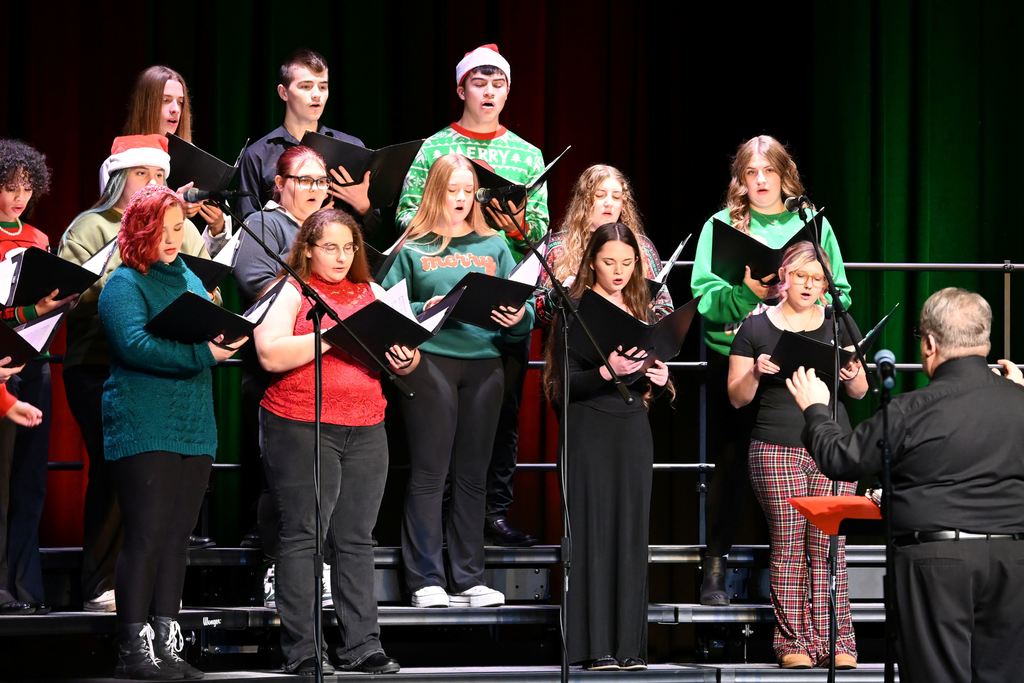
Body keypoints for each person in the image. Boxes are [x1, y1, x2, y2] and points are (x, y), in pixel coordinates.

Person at [787, 287, 1024, 683]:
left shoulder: (911, 410)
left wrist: (815, 410)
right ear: (985, 339)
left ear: (929, 344)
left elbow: (841, 458)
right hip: (1014, 560)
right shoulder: (1019, 403)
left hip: (935, 563)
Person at [396, 43, 549, 548]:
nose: (488, 92)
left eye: (497, 84)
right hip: (443, 291)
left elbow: (540, 229)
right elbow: (406, 216)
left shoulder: (527, 154)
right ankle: (436, 526)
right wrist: (453, 230)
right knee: (436, 430)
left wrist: (513, 224)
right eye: (479, 83)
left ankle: (492, 514)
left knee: (501, 414)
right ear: (461, 88)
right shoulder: (434, 147)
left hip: (499, 290)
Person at [690, 134, 852, 605]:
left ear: (785, 175)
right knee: (732, 461)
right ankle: (715, 565)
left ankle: (788, 574)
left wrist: (801, 296)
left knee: (802, 459)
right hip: (741, 354)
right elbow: (704, 297)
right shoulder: (721, 224)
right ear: (739, 180)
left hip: (804, 355)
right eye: (751, 173)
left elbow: (840, 288)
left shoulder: (810, 221)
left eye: (769, 172)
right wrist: (748, 294)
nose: (760, 181)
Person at [58, 134, 215, 613]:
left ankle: (152, 597)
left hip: (170, 368)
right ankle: (101, 580)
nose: (152, 181)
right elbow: (73, 291)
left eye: (160, 174)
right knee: (118, 471)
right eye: (141, 173)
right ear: (117, 178)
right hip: (98, 361)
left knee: (161, 491)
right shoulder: (92, 226)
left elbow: (204, 282)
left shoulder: (180, 226)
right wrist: (133, 258)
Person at [254, 208, 411, 676]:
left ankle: (362, 645)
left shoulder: (372, 293)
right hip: (301, 423)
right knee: (304, 534)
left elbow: (405, 357)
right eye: (330, 248)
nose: (341, 257)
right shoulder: (290, 290)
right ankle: (304, 649)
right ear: (307, 250)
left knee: (356, 538)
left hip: (366, 425)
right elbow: (269, 353)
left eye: (349, 248)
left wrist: (406, 358)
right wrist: (332, 337)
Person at [99, 184, 243, 679]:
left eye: (179, 228)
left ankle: (166, 640)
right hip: (144, 420)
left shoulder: (189, 278)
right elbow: (133, 345)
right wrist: (204, 353)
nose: (171, 239)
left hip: (193, 422)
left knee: (178, 538)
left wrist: (226, 334)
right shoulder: (124, 284)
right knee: (146, 534)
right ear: (139, 230)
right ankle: (133, 648)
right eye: (161, 230)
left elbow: (206, 327)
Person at [382, 153, 533, 608]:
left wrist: (518, 318)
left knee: (472, 474)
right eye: (453, 191)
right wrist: (421, 313)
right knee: (430, 472)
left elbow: (520, 313)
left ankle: (468, 577)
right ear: (436, 192)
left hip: (485, 364)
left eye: (469, 191)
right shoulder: (413, 246)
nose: (462, 199)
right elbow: (387, 305)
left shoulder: (494, 245)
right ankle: (425, 578)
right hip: (432, 362)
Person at [727, 242, 866, 669]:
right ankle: (794, 643)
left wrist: (852, 374)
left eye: (817, 279)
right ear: (785, 276)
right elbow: (736, 397)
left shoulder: (840, 323)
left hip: (833, 446)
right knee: (789, 544)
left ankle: (837, 641)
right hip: (776, 446)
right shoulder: (756, 327)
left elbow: (860, 391)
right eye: (801, 276)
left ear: (826, 285)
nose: (808, 285)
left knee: (829, 545)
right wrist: (755, 371)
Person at [542, 223, 671, 671]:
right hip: (588, 427)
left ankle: (629, 646)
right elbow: (560, 387)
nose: (619, 271)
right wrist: (605, 371)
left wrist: (660, 378)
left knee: (631, 534)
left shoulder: (642, 310)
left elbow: (651, 374)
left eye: (628, 262)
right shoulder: (574, 309)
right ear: (592, 262)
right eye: (609, 261)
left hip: (631, 427)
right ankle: (593, 646)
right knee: (592, 534)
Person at [0, 139, 74, 616]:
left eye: (26, 188)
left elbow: (41, 307)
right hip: (2, 365)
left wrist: (54, 304)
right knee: (2, 478)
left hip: (36, 361)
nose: (18, 197)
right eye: (9, 187)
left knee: (29, 479)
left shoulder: (40, 238)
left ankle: (26, 585)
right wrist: (30, 310)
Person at [237, 48, 373, 226]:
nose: (316, 95)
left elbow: (373, 227)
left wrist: (364, 208)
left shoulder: (351, 146)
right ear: (283, 93)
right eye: (306, 86)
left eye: (323, 87)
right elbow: (247, 224)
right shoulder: (259, 154)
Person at [117, 65, 229, 259]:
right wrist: (173, 209)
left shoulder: (193, 159)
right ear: (147, 105)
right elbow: (119, 226)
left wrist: (217, 228)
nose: (176, 109)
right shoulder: (124, 159)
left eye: (180, 102)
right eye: (166, 101)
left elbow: (199, 252)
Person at [540, 164, 672, 323]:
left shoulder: (641, 247)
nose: (609, 203)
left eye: (616, 197)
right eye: (600, 195)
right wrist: (560, 296)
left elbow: (665, 309)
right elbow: (539, 312)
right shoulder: (558, 248)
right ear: (584, 201)